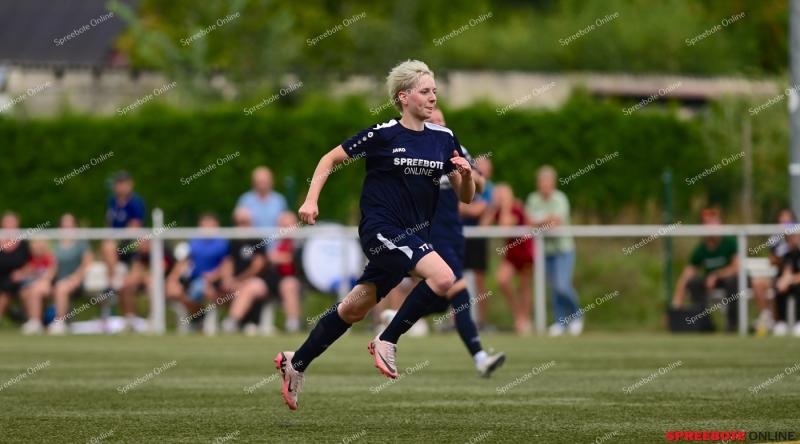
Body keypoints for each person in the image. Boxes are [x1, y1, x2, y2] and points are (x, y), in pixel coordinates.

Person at [275, 60, 475, 410]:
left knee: (354, 309)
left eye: (434, 91)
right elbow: (329, 159)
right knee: (444, 276)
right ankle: (387, 339)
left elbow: (466, 197)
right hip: (380, 229)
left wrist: (467, 175)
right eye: (425, 91)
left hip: (413, 236)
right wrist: (310, 200)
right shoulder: (384, 134)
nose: (432, 98)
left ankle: (297, 362)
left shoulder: (444, 139)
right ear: (404, 96)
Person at [525, 166, 582, 336]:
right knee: (553, 287)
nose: (545, 185)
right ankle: (560, 322)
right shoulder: (533, 199)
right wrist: (545, 219)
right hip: (544, 250)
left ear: (553, 184)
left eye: (548, 182)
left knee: (562, 285)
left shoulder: (560, 199)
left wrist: (540, 220)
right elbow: (528, 221)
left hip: (563, 249)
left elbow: (556, 222)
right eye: (542, 182)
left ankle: (577, 315)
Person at [671, 208, 740, 332]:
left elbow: (737, 267)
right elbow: (686, 275)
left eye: (713, 222)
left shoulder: (729, 242)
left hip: (728, 279)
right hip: (711, 281)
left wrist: (717, 275)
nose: (711, 227)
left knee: (732, 282)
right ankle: (705, 324)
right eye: (707, 223)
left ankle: (732, 324)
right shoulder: (701, 250)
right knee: (693, 283)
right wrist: (677, 300)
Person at [482, 183, 534, 335]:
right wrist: (493, 208)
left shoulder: (517, 209)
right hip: (511, 254)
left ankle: (525, 320)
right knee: (502, 280)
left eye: (502, 195)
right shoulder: (498, 210)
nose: (499, 199)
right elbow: (483, 226)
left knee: (524, 288)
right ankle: (519, 314)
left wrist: (504, 206)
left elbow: (505, 226)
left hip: (525, 253)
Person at [101, 170, 146, 330]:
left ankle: (131, 318)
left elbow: (134, 229)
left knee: (128, 284)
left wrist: (116, 241)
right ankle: (114, 279)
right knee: (107, 245)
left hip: (131, 247)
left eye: (124, 182)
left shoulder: (136, 202)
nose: (121, 186)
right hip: (117, 249)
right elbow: (109, 224)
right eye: (118, 183)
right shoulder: (111, 201)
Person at [215, 207, 269, 334]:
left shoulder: (257, 240)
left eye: (245, 222)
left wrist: (239, 280)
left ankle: (232, 321)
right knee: (218, 289)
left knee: (249, 287)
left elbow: (258, 267)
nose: (242, 226)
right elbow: (228, 263)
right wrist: (228, 279)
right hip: (238, 282)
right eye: (239, 222)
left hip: (260, 282)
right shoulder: (232, 242)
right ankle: (202, 322)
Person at [165, 214, 229, 317]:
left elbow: (226, 265)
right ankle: (199, 315)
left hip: (213, 283)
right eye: (204, 226)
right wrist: (172, 280)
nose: (207, 229)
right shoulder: (193, 242)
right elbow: (183, 262)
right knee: (173, 291)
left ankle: (205, 319)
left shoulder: (223, 244)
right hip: (191, 280)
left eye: (210, 226)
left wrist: (214, 276)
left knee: (207, 292)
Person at [46, 213, 93, 335]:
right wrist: (46, 280)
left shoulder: (81, 243)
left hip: (77, 282)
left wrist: (76, 278)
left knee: (61, 288)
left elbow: (87, 262)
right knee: (35, 290)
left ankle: (60, 323)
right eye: (64, 224)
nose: (67, 226)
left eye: (70, 223)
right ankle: (35, 322)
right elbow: (54, 266)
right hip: (59, 281)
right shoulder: (56, 244)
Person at [461, 156, 493, 328]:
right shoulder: (464, 182)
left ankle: (481, 321)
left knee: (480, 281)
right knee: (457, 279)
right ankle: (456, 321)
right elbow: (458, 207)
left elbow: (480, 210)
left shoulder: (489, 188)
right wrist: (469, 209)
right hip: (460, 235)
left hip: (478, 240)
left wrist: (467, 209)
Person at [263, 211, 302, 333]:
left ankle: (293, 323)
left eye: (288, 226)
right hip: (272, 279)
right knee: (252, 285)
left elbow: (292, 260)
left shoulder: (301, 242)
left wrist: (279, 258)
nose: (284, 229)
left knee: (288, 285)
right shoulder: (272, 241)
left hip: (296, 279)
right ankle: (234, 322)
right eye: (281, 226)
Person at [0, 212, 31, 325]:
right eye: (7, 223)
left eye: (13, 223)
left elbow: (31, 263)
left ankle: (32, 320)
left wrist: (22, 272)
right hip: (1, 277)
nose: (10, 226)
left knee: (8, 288)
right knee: (5, 287)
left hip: (17, 280)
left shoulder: (24, 243)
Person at [20, 239, 57, 334]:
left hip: (50, 285)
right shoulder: (32, 260)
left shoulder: (50, 258)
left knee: (35, 292)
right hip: (36, 284)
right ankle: (33, 319)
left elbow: (50, 276)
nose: (36, 251)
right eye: (34, 249)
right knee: (24, 293)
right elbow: (26, 273)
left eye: (39, 248)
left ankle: (36, 321)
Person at [774, 229, 800, 336]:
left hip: (797, 283)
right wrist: (783, 281)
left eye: (793, 236)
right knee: (779, 287)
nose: (791, 239)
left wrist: (789, 280)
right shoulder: (786, 253)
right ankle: (781, 322)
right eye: (789, 237)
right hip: (790, 283)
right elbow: (787, 269)